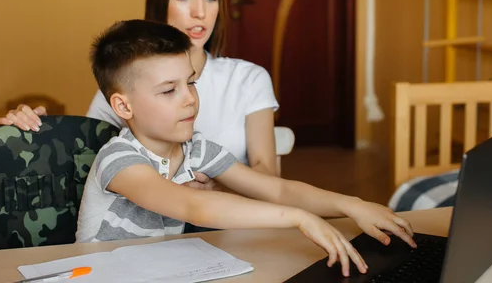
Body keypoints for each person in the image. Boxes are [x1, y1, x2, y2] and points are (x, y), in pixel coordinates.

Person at [77, 19, 416, 278]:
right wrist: (299, 219)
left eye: (191, 83)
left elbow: (277, 189)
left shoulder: (197, 150)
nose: (189, 99)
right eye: (169, 91)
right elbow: (195, 206)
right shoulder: (119, 158)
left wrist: (351, 204)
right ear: (123, 107)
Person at [0, 0, 280, 186]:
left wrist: (214, 193)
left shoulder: (249, 79)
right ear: (159, 2)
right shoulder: (130, 81)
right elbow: (83, 159)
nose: (200, 12)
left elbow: (268, 173)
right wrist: (34, 130)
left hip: (234, 229)